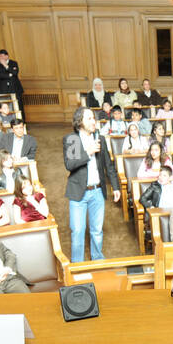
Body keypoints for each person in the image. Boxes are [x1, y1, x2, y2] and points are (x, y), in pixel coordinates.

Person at [63, 106, 120, 262]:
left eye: (93, 118)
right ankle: (77, 265)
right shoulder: (72, 139)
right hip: (78, 192)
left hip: (97, 191)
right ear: (79, 122)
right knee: (78, 231)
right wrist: (87, 152)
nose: (93, 121)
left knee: (97, 230)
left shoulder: (100, 138)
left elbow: (108, 165)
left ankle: (97, 260)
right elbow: (70, 164)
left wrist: (115, 187)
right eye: (89, 118)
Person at [0, 49, 24, 115]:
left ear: (7, 56)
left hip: (15, 88)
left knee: (19, 105)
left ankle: (22, 121)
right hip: (4, 89)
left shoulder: (14, 63)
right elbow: (0, 75)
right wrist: (10, 75)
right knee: (7, 106)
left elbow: (15, 73)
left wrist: (6, 66)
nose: (0, 58)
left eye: (2, 56)